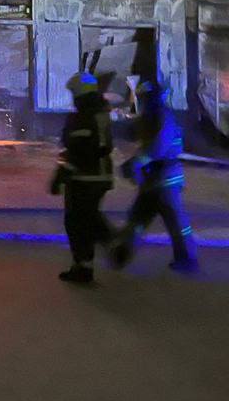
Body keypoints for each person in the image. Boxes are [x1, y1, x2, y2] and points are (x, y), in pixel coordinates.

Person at [110, 73, 199, 273]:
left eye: (143, 98)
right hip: (153, 179)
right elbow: (133, 131)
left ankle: (187, 259)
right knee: (137, 218)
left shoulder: (163, 117)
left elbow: (157, 147)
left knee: (175, 222)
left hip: (166, 178)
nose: (141, 102)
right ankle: (122, 253)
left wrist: (136, 163)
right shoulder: (151, 116)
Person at [51, 72, 115, 284]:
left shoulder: (83, 116)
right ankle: (109, 246)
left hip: (83, 178)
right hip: (100, 177)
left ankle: (85, 266)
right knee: (89, 218)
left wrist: (61, 175)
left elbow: (78, 151)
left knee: (76, 222)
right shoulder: (100, 112)